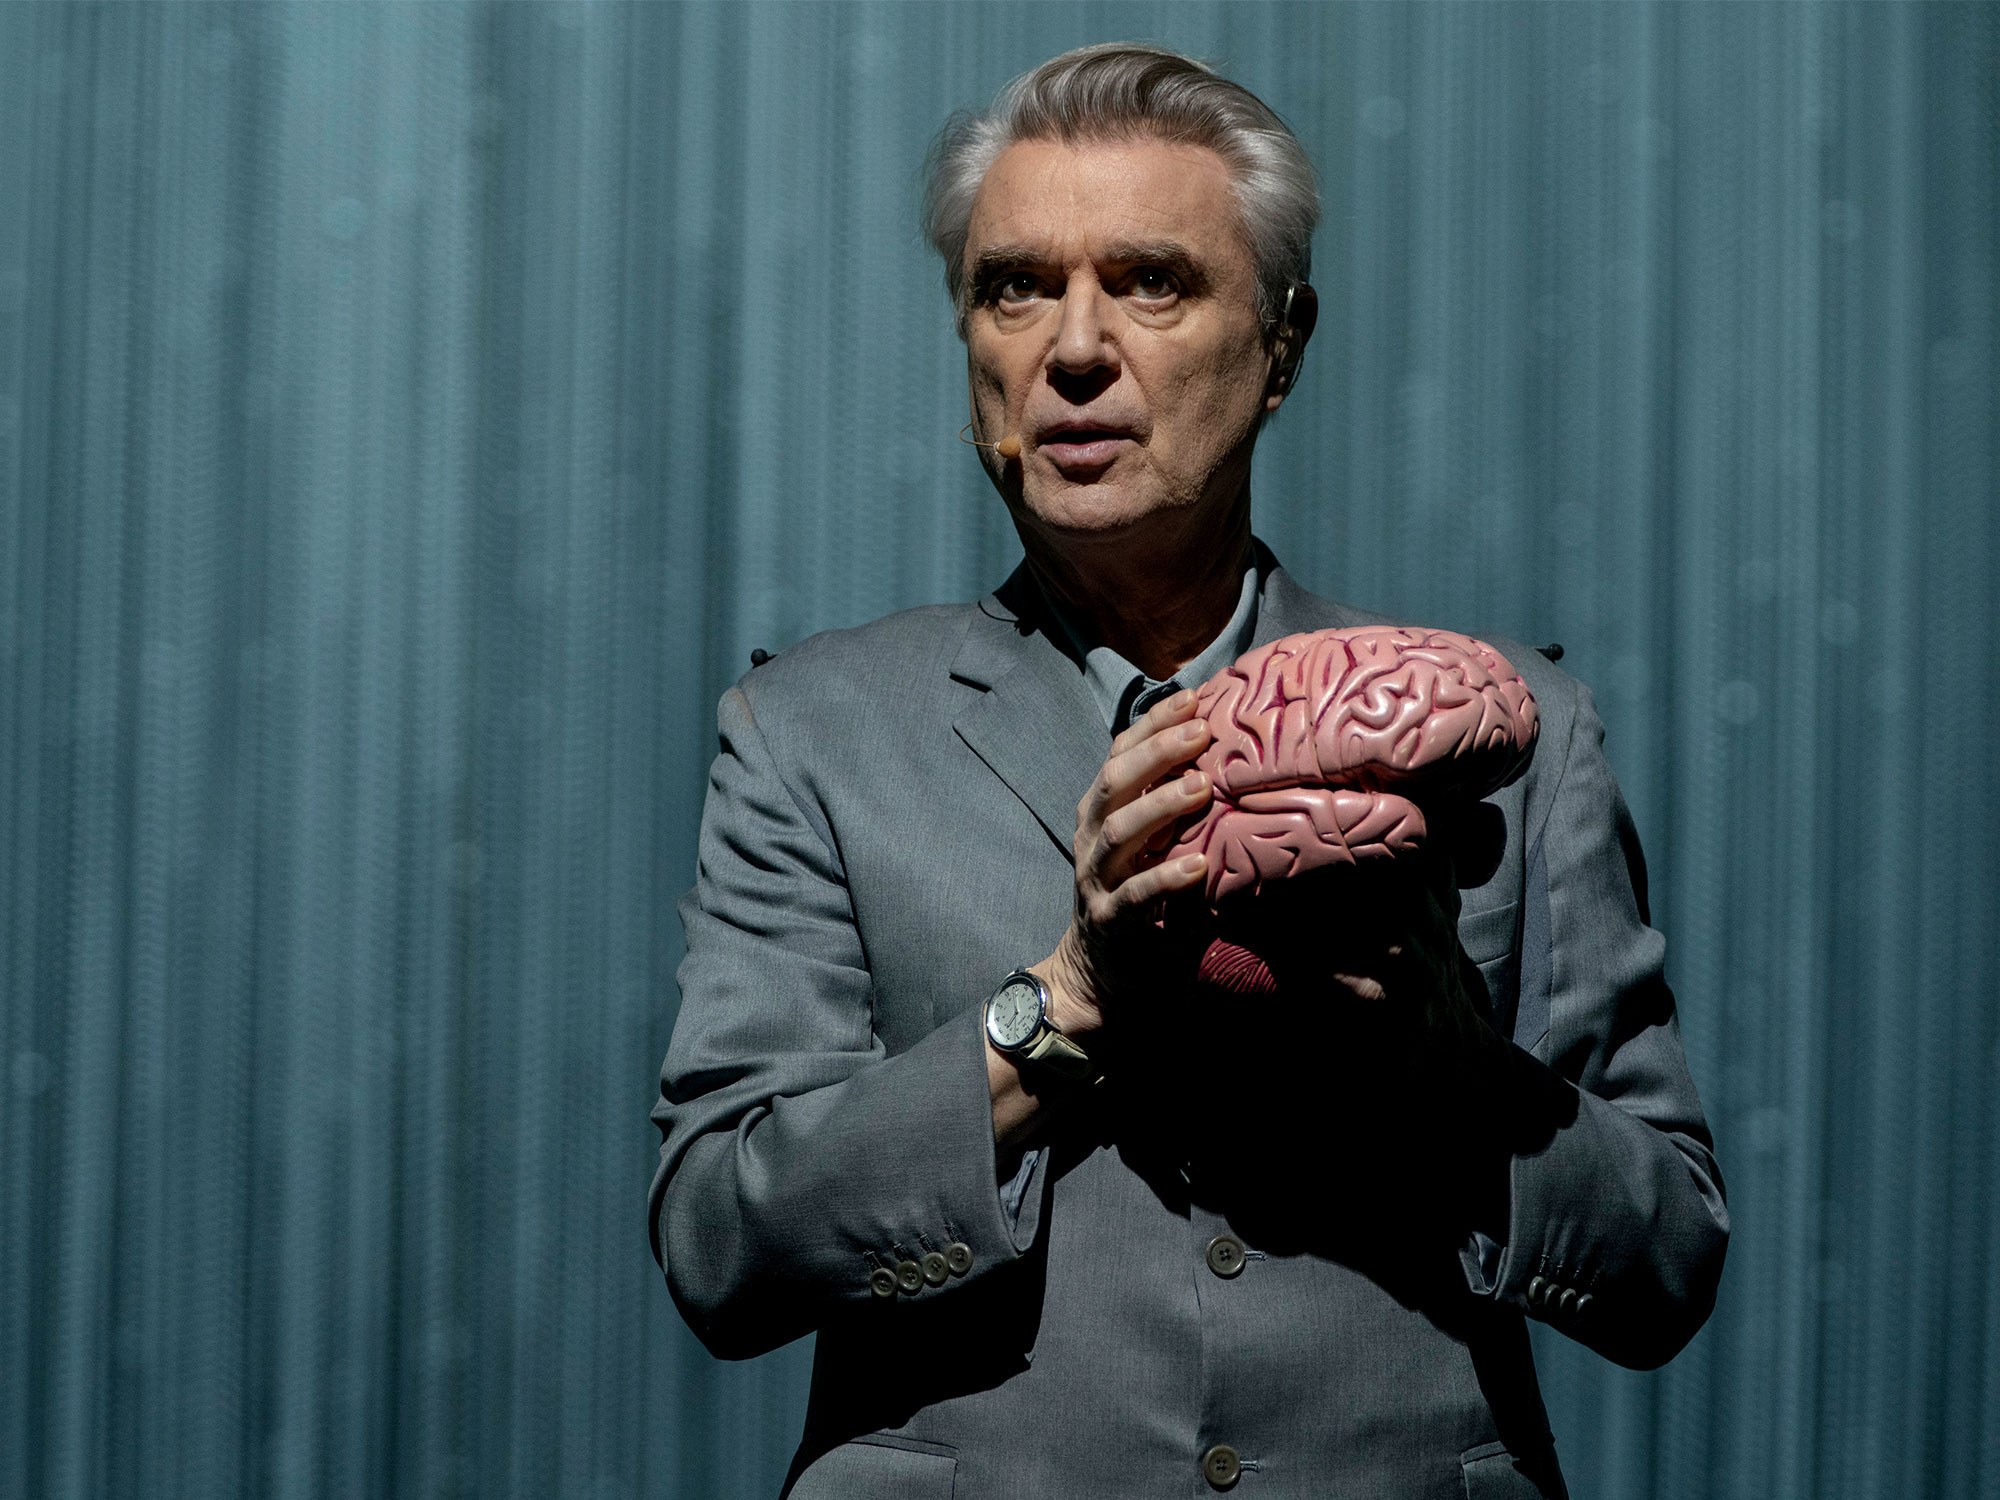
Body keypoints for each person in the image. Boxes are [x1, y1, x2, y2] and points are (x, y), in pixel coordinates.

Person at [650, 43, 1727, 1500]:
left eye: (1151, 281)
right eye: (1014, 286)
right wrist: (1064, 1008)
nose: (1073, 348)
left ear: (1284, 345)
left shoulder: (1512, 736)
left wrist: (1453, 1076)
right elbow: (721, 1243)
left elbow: (1668, 1265)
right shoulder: (813, 736)